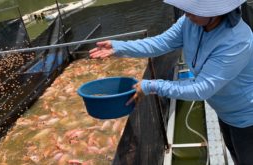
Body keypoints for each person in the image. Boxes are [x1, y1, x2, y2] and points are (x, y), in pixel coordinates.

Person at [89, 0, 253, 164]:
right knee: (235, 155)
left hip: (246, 116)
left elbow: (201, 89)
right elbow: (159, 43)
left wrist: (150, 85)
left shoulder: (237, 41)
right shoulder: (190, 22)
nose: (186, 13)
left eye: (194, 10)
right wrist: (119, 47)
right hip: (224, 111)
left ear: (215, 12)